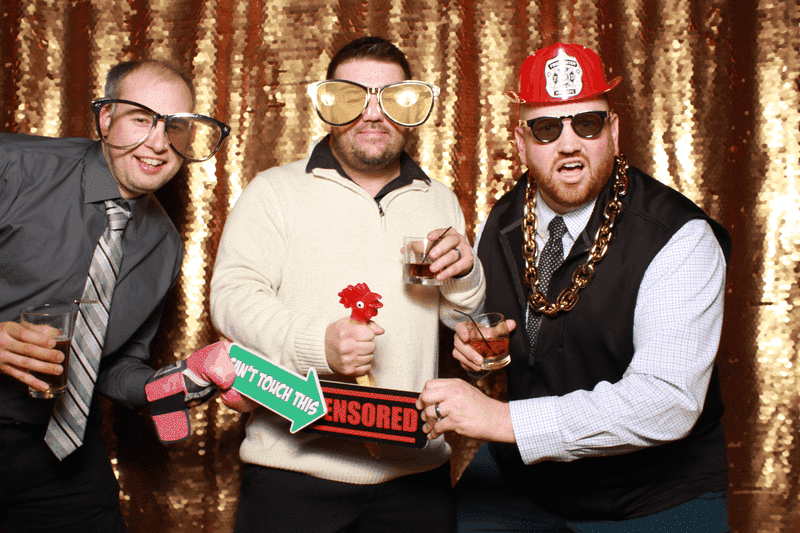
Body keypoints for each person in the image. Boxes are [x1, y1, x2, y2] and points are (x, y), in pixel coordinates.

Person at [416, 42, 732, 532]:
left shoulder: (679, 238)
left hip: (651, 496)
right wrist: (473, 341)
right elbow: (489, 325)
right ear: (521, 142)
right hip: (528, 482)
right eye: (547, 128)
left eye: (587, 123)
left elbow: (667, 401)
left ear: (613, 131)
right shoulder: (505, 216)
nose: (569, 145)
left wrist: (502, 421)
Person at [210, 36, 486, 532]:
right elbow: (232, 299)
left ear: (410, 109)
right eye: (352, 97)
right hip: (293, 473)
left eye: (391, 98)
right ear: (329, 106)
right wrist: (318, 344)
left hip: (415, 475)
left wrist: (466, 275)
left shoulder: (439, 198)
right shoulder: (274, 190)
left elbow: (459, 318)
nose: (373, 114)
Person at [0, 59, 239, 532]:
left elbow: (114, 366)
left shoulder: (163, 244)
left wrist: (176, 382)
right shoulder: (15, 167)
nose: (158, 143)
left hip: (57, 452)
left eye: (175, 127)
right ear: (106, 117)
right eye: (141, 118)